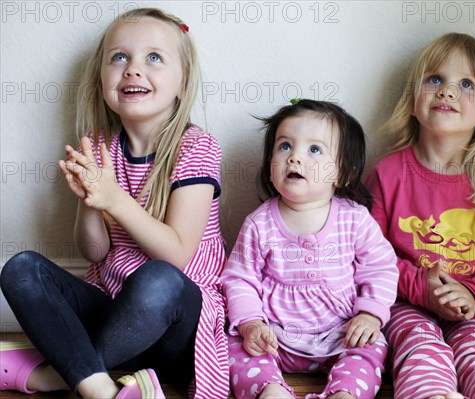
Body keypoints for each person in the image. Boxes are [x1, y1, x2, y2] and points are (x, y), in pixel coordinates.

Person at [0, 8, 229, 399]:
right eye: (119, 56)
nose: (133, 69)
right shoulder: (100, 145)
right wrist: (90, 200)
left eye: (154, 57)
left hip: (173, 327)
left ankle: (60, 375)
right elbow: (94, 251)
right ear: (102, 79)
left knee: (159, 278)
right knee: (21, 268)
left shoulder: (196, 147)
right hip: (114, 311)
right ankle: (99, 388)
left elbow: (175, 254)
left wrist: (114, 199)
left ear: (182, 80)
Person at [365, 33, 475, 399]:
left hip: (473, 304)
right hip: (406, 302)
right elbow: (369, 254)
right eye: (435, 79)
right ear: (413, 101)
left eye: (467, 83)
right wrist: (420, 287)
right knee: (419, 345)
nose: (448, 91)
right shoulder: (387, 174)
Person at [221, 99, 399, 399]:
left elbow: (381, 268)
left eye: (314, 149)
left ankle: (346, 392)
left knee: (374, 344)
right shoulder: (259, 223)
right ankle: (270, 389)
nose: (295, 158)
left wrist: (370, 314)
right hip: (274, 336)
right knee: (233, 346)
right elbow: (240, 278)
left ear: (342, 172)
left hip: (340, 333)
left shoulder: (354, 218)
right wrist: (251, 323)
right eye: (285, 146)